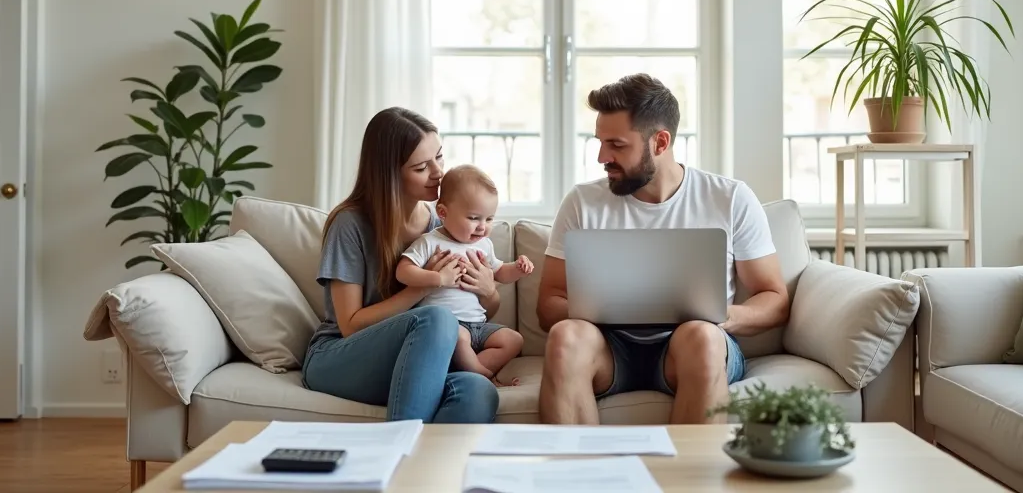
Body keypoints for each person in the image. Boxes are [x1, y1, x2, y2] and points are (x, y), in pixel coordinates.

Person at [535, 74, 790, 425]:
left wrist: (725, 316)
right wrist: (602, 311)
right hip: (608, 349)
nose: (601, 157)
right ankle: (579, 476)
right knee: (566, 336)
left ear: (660, 142)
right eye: (600, 142)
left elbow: (774, 298)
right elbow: (548, 304)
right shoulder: (582, 202)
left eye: (616, 145)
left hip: (692, 347)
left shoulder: (730, 198)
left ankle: (690, 478)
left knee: (701, 334)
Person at [301, 107, 501, 423]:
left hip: (415, 356)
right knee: (437, 320)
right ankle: (396, 450)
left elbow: (470, 314)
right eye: (422, 167)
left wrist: (489, 291)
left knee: (478, 390)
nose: (438, 173)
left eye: (439, 157)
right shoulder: (350, 224)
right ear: (389, 173)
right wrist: (423, 285)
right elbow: (350, 325)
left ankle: (423, 471)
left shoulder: (445, 226)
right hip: (340, 355)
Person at [397, 164, 534, 387]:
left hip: (479, 325)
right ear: (443, 213)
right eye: (473, 218)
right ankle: (485, 376)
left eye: (489, 219)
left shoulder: (484, 245)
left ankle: (464, 374)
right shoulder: (430, 242)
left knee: (513, 340)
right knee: (459, 337)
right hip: (448, 326)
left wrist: (517, 269)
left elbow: (499, 272)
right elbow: (403, 271)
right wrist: (437, 279)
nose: (482, 227)